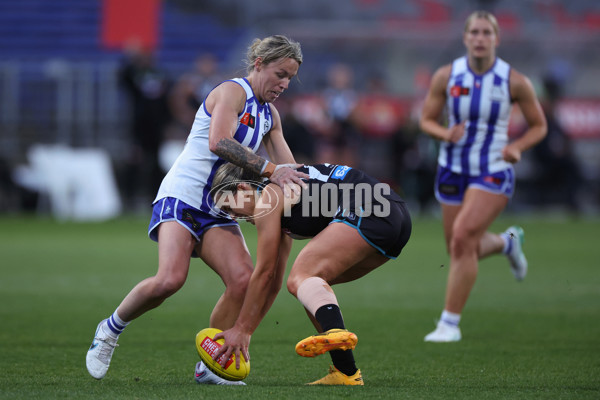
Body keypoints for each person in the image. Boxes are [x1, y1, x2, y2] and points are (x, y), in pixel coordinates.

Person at [86, 35, 308, 384]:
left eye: (290, 78)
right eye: (280, 73)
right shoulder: (232, 92)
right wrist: (270, 172)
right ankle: (110, 329)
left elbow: (290, 169)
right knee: (170, 280)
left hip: (219, 207)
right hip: (184, 195)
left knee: (242, 280)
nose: (284, 83)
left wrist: (318, 193)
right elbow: (218, 142)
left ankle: (209, 364)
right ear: (259, 63)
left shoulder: (270, 116)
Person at [208, 160, 412, 385]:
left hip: (370, 208)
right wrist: (247, 330)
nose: (234, 217)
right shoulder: (277, 197)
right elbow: (274, 278)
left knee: (301, 275)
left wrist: (241, 329)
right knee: (310, 287)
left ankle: (335, 333)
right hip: (394, 215)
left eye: (229, 207)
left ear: (243, 188)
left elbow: (264, 272)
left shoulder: (268, 198)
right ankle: (346, 372)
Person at [419, 10, 547, 342]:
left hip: (492, 170)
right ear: (465, 38)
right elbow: (427, 120)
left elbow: (539, 126)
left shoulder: (514, 81)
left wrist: (517, 147)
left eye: (486, 33)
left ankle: (449, 324)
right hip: (451, 169)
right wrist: (444, 134)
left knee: (463, 238)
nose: (479, 38)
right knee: (459, 248)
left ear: (496, 39)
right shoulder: (446, 76)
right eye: (474, 32)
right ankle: (508, 243)